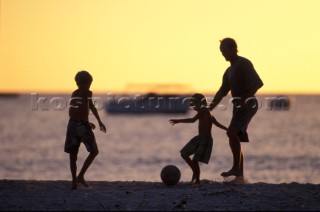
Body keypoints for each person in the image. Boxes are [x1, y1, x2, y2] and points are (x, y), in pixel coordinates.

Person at [208, 38, 264, 179]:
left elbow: (257, 84)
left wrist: (244, 101)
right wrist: (209, 109)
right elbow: (221, 92)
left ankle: (235, 168)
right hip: (237, 107)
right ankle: (240, 176)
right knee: (235, 137)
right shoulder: (229, 71)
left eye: (224, 51)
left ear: (233, 49)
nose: (222, 54)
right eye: (221, 52)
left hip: (248, 104)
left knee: (231, 132)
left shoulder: (243, 63)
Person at [169, 93, 228, 184]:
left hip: (205, 140)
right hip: (199, 138)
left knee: (195, 160)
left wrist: (179, 121)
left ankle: (197, 180)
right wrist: (227, 129)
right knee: (184, 154)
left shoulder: (203, 111)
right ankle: (195, 172)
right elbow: (217, 124)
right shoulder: (207, 112)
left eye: (194, 105)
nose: (193, 108)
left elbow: (193, 120)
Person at [64, 70, 106, 190]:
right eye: (89, 83)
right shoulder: (87, 92)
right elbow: (88, 107)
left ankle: (74, 182)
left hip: (72, 124)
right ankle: (80, 176)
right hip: (80, 125)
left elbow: (74, 111)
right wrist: (86, 122)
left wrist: (99, 121)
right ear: (84, 83)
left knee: (73, 155)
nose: (89, 86)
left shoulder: (74, 93)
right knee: (94, 151)